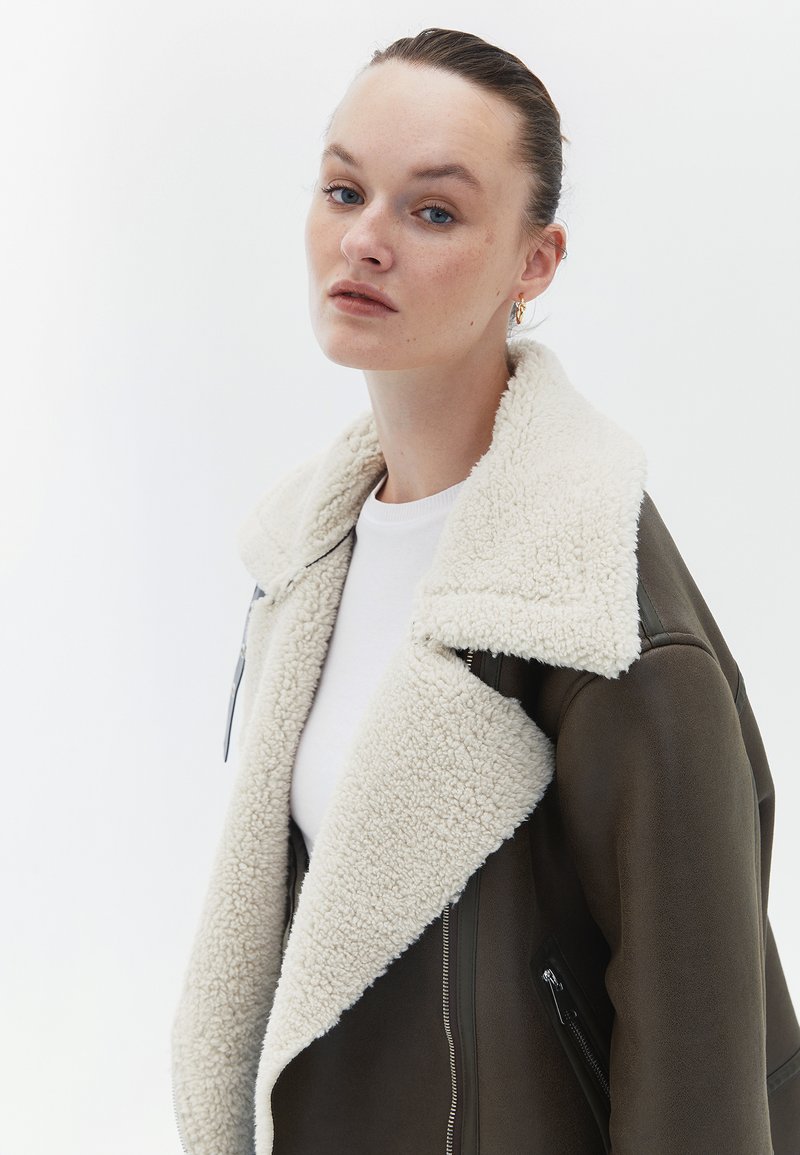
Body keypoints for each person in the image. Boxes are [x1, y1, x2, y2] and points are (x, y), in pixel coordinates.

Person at [171, 27, 800, 1155]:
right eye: (343, 189)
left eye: (433, 211)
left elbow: (702, 1082)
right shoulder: (305, 558)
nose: (364, 240)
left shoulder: (599, 618)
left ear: (534, 262)